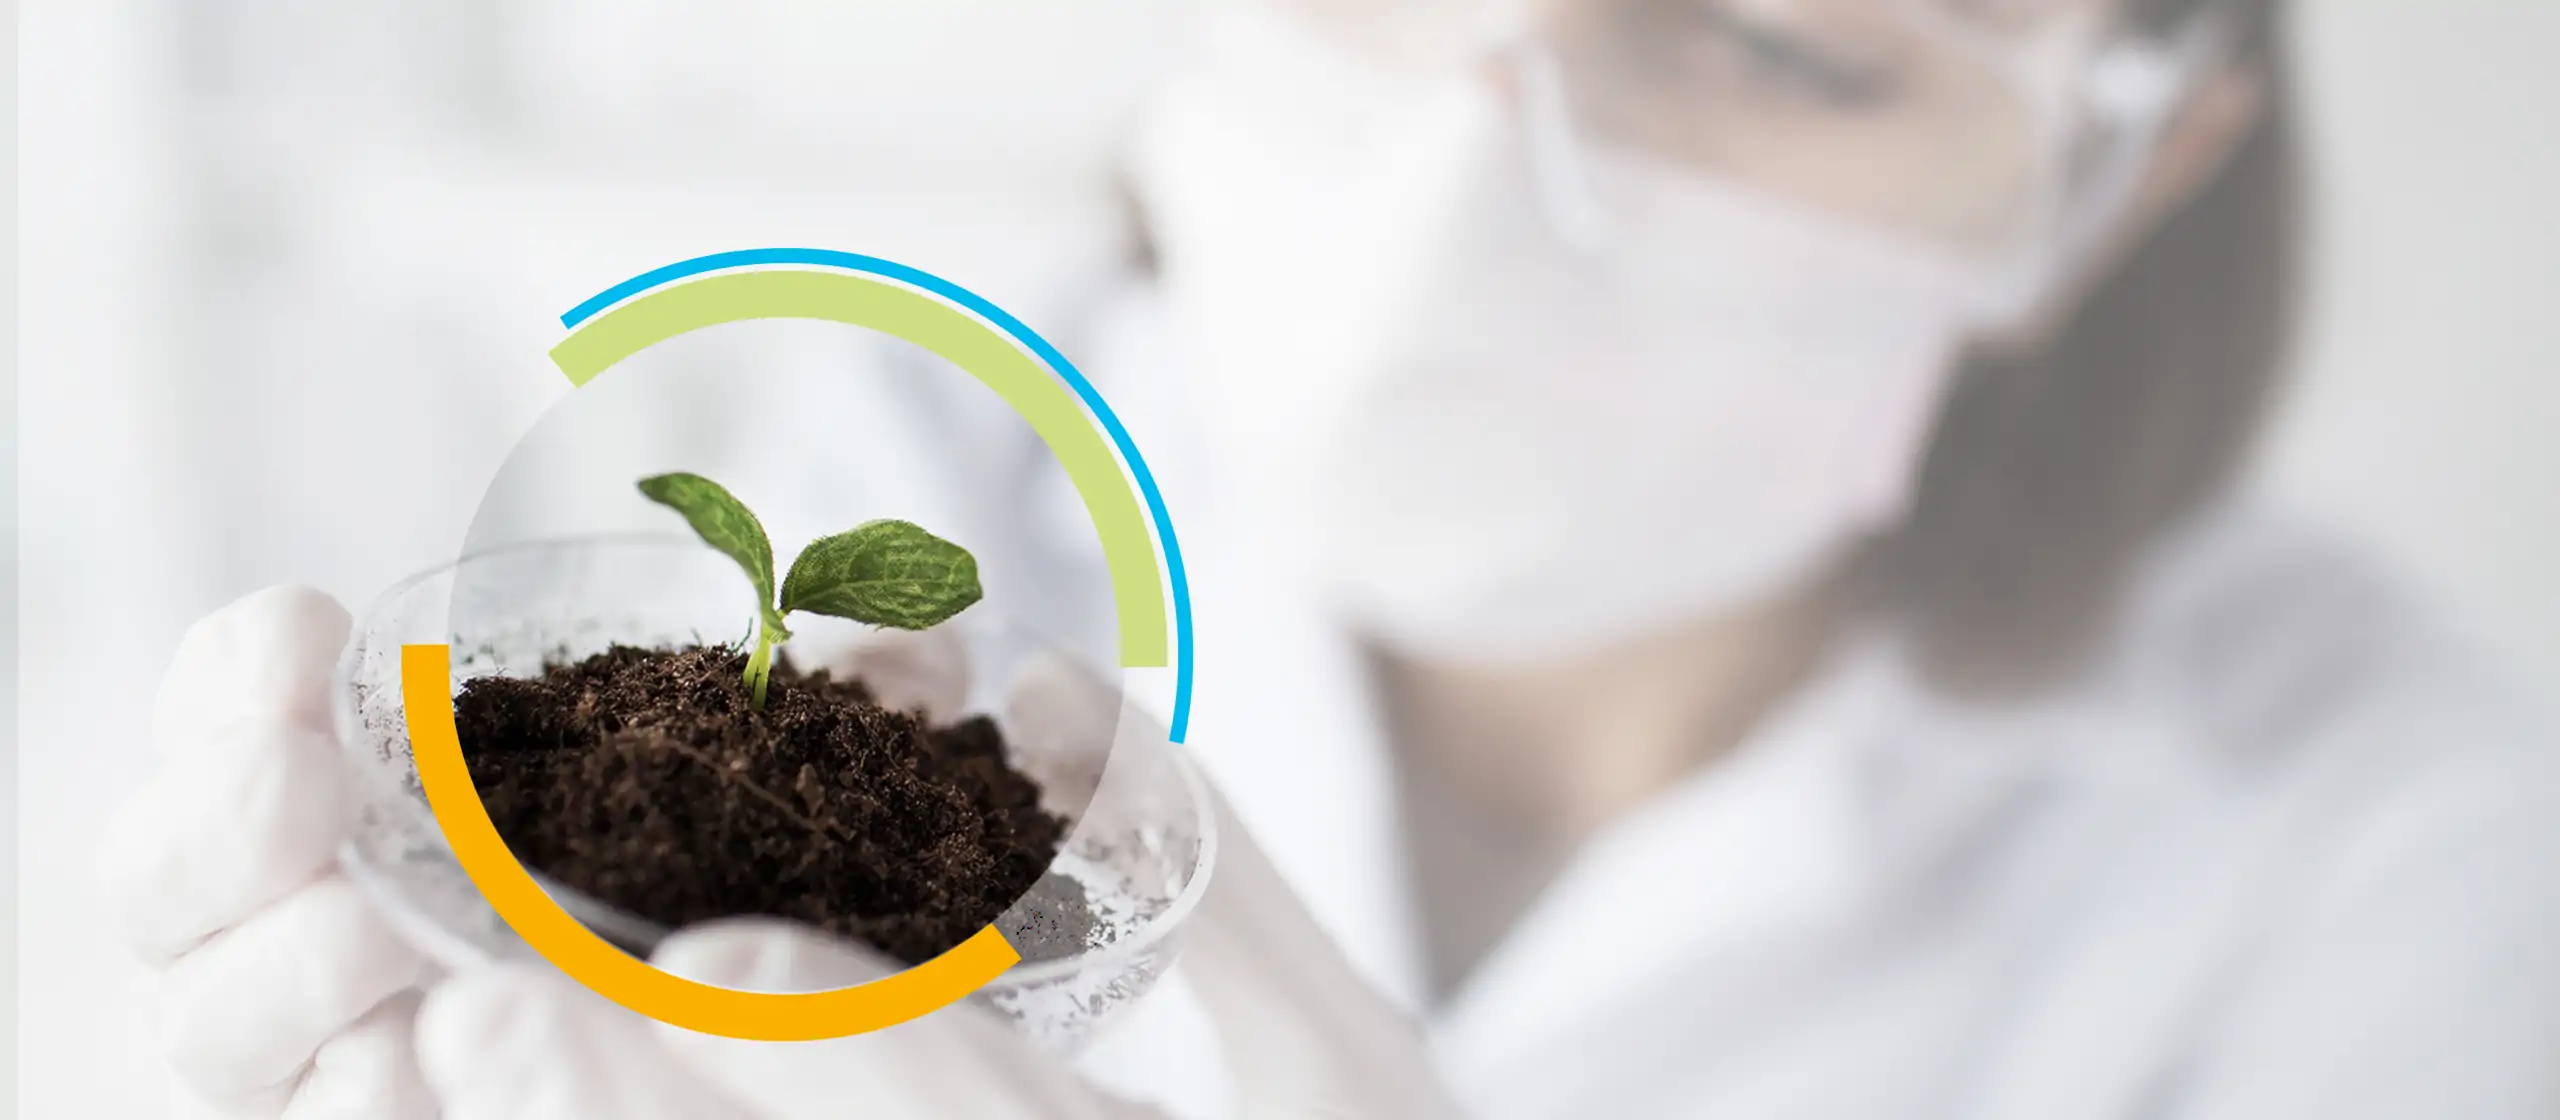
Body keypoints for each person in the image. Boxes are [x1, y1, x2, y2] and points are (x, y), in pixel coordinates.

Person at [100, 0, 2560, 1115]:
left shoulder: (2365, 848)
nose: (1458, 173)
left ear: (2126, 166)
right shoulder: (834, 493)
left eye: (1785, 50)